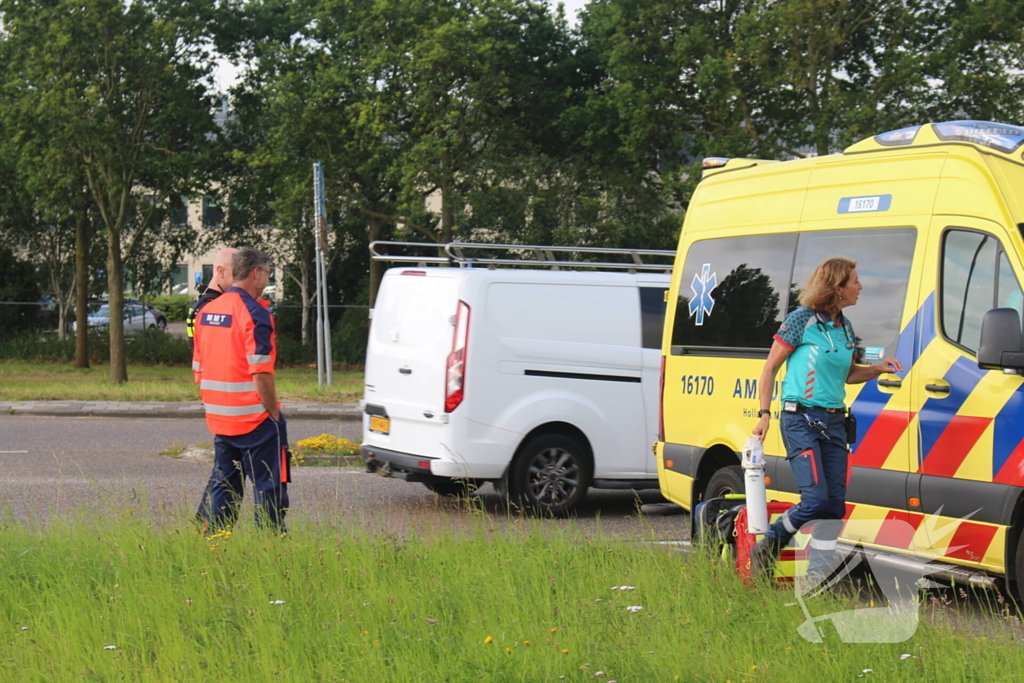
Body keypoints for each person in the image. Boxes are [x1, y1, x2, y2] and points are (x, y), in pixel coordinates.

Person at [750, 257, 903, 580]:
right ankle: (770, 544)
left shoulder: (844, 325)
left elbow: (847, 375)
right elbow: (769, 369)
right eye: (855, 281)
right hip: (800, 419)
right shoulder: (801, 320)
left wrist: (877, 369)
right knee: (815, 500)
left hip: (835, 423)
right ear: (838, 288)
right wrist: (764, 414)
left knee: (834, 507)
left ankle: (817, 580)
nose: (860, 287)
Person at [193, 247, 290, 532]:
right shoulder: (255, 313)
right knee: (269, 485)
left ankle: (214, 539)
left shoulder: (207, 311)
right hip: (255, 420)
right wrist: (273, 413)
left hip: (220, 419)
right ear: (256, 273)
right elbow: (261, 371)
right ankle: (271, 546)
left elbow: (199, 369)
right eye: (268, 274)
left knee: (225, 483)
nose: (267, 281)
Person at [186, 247, 237, 352]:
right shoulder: (217, 307)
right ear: (221, 271)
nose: (242, 277)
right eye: (237, 272)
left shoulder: (199, 303)